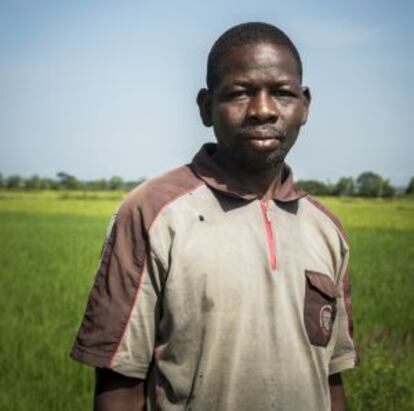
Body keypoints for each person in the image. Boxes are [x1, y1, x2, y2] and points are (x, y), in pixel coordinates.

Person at [71, 22, 358, 411]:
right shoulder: (154, 213)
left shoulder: (325, 229)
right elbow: (118, 384)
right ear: (207, 107)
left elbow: (330, 378)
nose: (262, 110)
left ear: (304, 105)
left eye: (282, 93)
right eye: (240, 93)